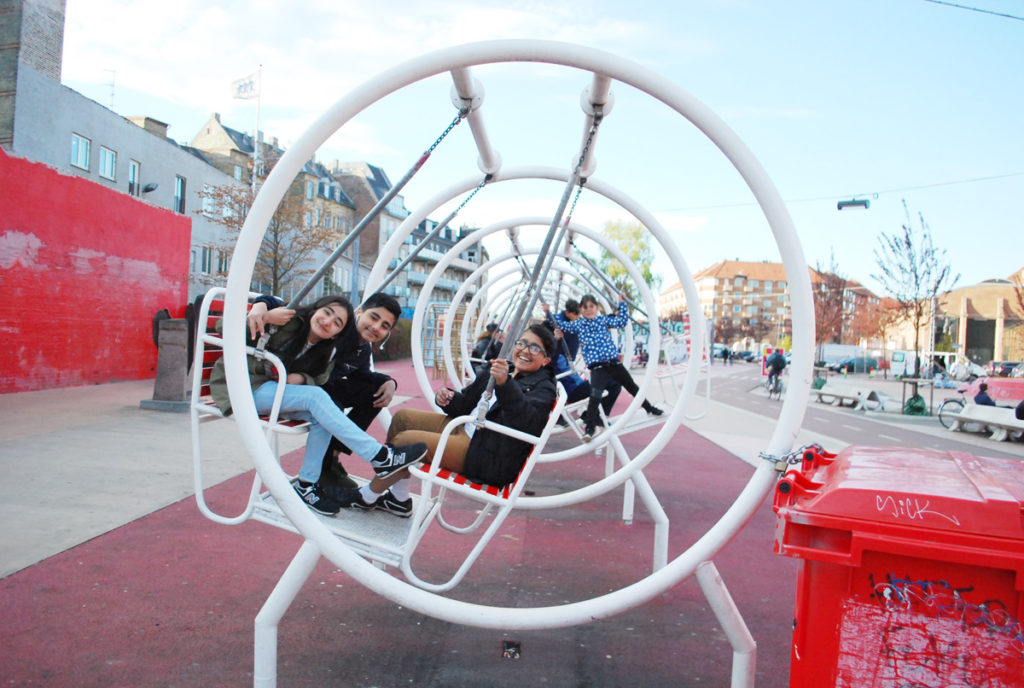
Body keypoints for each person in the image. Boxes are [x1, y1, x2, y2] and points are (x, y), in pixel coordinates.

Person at [210, 294, 427, 516]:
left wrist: (304, 379)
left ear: (338, 334)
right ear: (315, 309)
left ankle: (306, 484)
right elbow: (227, 325)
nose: (328, 322)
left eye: (337, 323)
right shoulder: (291, 321)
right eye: (327, 313)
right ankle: (380, 457)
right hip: (240, 388)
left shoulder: (326, 347)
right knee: (317, 398)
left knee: (320, 414)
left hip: (269, 389)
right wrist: (262, 313)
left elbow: (324, 376)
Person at [331, 324, 558, 517]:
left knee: (405, 441)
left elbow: (527, 422)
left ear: (546, 360)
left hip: (487, 454)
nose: (525, 350)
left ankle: (368, 496)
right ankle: (399, 499)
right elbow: (467, 404)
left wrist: (505, 384)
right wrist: (448, 399)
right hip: (469, 430)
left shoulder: (543, 388)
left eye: (535, 348)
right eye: (522, 343)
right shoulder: (503, 369)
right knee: (401, 419)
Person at [247, 292, 402, 490]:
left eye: (384, 326)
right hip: (304, 387)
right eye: (373, 318)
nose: (375, 327)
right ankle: (376, 456)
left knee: (373, 392)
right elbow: (289, 306)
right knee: (324, 400)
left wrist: (389, 382)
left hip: (310, 385)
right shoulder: (335, 330)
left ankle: (319, 472)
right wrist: (261, 305)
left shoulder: (362, 348)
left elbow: (360, 376)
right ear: (360, 312)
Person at [545, 293, 662, 443]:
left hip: (613, 363)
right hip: (598, 367)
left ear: (597, 308)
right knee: (595, 394)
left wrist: (622, 304)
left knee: (630, 387)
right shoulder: (579, 324)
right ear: (581, 310)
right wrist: (548, 312)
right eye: (585, 307)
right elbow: (560, 325)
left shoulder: (603, 320)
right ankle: (589, 428)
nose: (588, 310)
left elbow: (621, 321)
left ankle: (648, 407)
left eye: (591, 306)